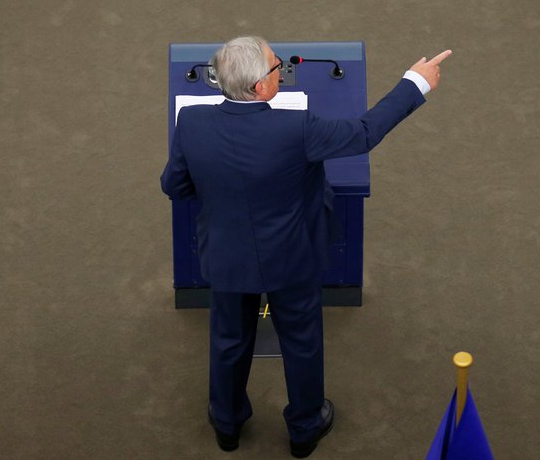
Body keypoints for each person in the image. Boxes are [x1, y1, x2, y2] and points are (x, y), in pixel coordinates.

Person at [161, 36, 451, 457]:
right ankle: (304, 429)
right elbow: (365, 132)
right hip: (292, 260)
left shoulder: (191, 123)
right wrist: (415, 82)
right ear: (260, 88)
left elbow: (174, 185)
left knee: (227, 339)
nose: (282, 69)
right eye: (277, 67)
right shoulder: (297, 129)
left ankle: (227, 425)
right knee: (301, 342)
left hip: (225, 258)